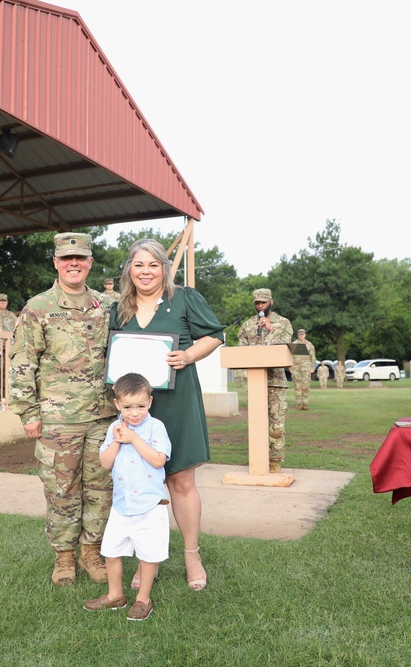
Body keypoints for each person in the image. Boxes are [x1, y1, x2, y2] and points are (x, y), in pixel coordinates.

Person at [110, 237, 225, 591]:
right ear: (129, 268)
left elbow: (215, 336)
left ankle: (192, 555)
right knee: (141, 483)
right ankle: (146, 560)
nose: (146, 272)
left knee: (181, 482)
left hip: (177, 403)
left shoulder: (185, 298)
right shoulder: (119, 309)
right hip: (135, 411)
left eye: (153, 265)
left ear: (164, 268)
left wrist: (188, 356)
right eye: (139, 264)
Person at [9, 232, 115, 586]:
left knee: (100, 488)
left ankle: (91, 553)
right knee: (62, 490)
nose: (74, 263)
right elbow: (23, 359)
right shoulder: (38, 307)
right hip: (58, 418)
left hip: (102, 417)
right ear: (55, 263)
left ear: (89, 263)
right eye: (67, 258)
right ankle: (64, 557)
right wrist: (28, 412)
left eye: (80, 258)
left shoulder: (106, 307)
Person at [84, 373, 170, 621]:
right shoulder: (114, 428)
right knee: (111, 550)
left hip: (150, 506)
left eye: (141, 406)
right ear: (117, 404)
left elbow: (158, 460)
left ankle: (143, 599)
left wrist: (133, 438)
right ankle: (115, 595)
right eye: (128, 407)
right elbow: (105, 463)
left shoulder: (156, 427)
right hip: (122, 506)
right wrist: (117, 441)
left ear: (150, 403)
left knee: (148, 553)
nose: (135, 413)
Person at [238, 288, 293, 473]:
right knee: (256, 424)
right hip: (255, 384)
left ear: (271, 301)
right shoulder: (247, 325)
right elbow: (241, 353)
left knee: (276, 425)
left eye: (263, 302)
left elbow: (284, 348)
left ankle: (275, 462)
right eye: (257, 303)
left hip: (276, 382)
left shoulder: (283, 323)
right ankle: (258, 461)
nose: (260, 306)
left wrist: (270, 331)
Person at [291, 329, 315, 410]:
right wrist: (290, 367)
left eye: (302, 334)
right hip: (296, 368)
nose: (301, 336)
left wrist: (313, 367)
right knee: (297, 386)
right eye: (300, 334)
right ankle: (299, 403)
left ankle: (305, 403)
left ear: (305, 335)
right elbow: (290, 356)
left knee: (306, 386)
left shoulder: (309, 344)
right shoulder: (294, 344)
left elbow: (313, 357)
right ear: (298, 335)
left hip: (306, 368)